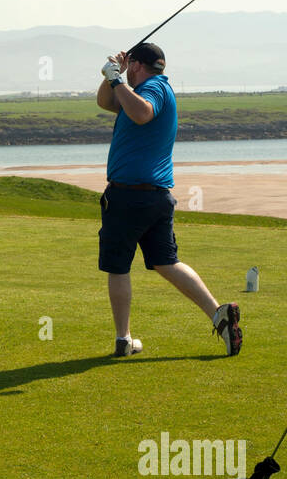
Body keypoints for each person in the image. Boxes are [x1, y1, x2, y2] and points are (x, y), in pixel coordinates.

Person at [96, 42, 242, 358]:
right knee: (166, 262)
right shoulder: (143, 88)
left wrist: (118, 79)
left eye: (128, 65)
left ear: (136, 65)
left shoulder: (153, 90)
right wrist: (113, 78)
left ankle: (123, 339)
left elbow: (142, 113)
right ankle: (220, 316)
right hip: (154, 198)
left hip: (128, 196)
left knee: (118, 266)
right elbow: (106, 102)